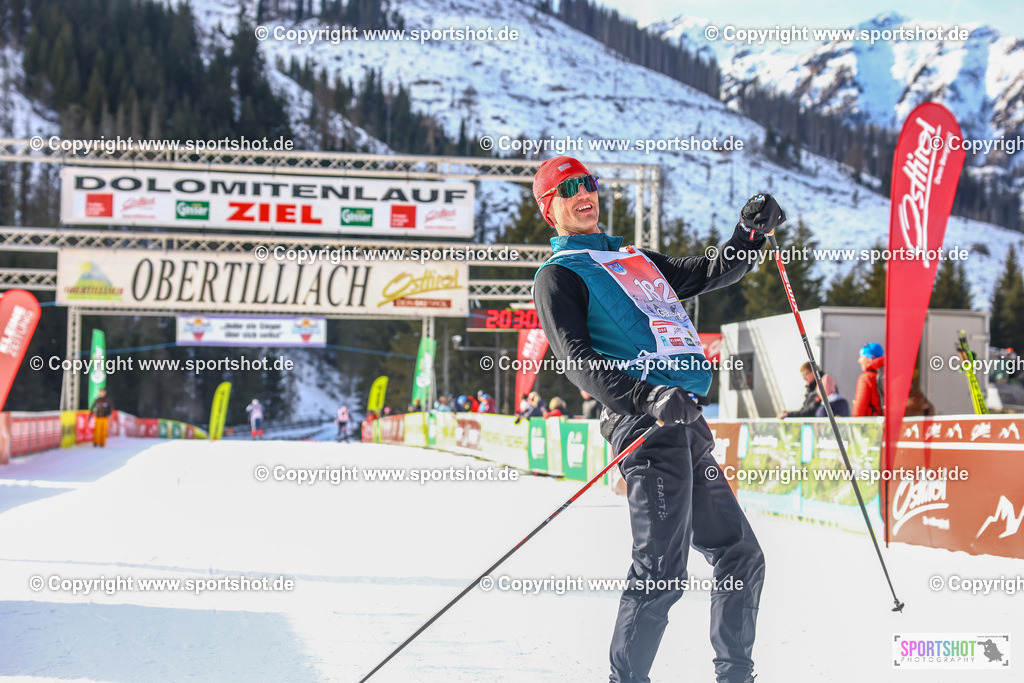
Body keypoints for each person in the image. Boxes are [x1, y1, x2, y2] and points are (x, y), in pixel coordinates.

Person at [532, 156, 774, 683]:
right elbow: (578, 361)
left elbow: (708, 272)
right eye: (567, 188)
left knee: (742, 557)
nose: (583, 193)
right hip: (644, 430)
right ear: (549, 209)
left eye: (588, 183)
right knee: (661, 575)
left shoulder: (633, 263)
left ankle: (736, 676)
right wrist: (647, 397)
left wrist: (748, 235)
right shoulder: (558, 277)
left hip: (686, 426)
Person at [852, 343, 885, 417]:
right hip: (888, 422)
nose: (859, 360)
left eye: (861, 357)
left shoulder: (866, 378)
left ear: (868, 358)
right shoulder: (888, 374)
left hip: (872, 425)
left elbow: (859, 411)